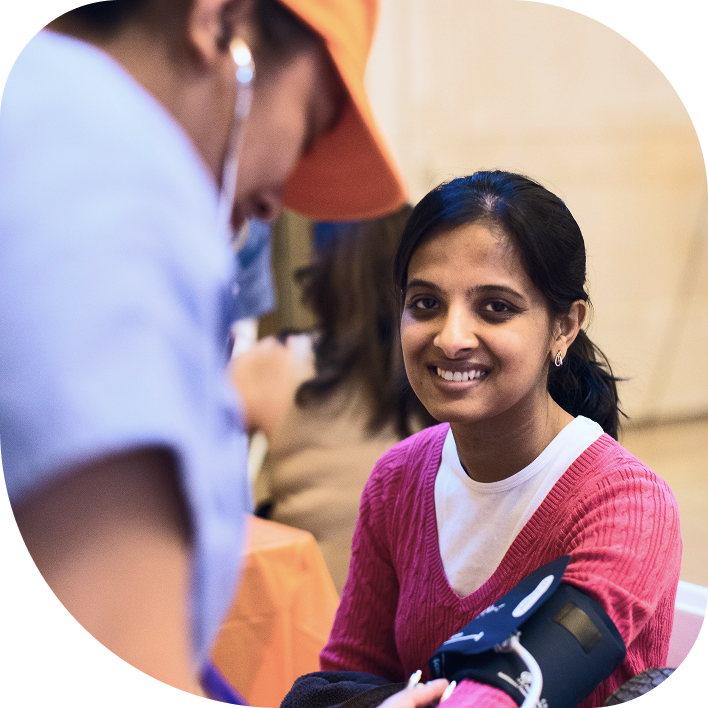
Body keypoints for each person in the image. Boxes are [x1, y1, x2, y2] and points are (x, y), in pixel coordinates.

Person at [1, 1, 450, 705]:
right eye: (313, 116)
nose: (279, 202)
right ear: (220, 22)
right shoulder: (118, 183)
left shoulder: (39, 116)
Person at [319, 171, 682, 707]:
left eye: (495, 307)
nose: (451, 337)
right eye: (425, 304)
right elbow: (340, 684)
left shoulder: (628, 505)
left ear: (564, 326)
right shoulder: (397, 480)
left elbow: (517, 690)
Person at [232, 206, 437, 593]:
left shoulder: (277, 365)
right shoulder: (443, 371)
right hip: (424, 630)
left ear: (323, 268)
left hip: (312, 630)